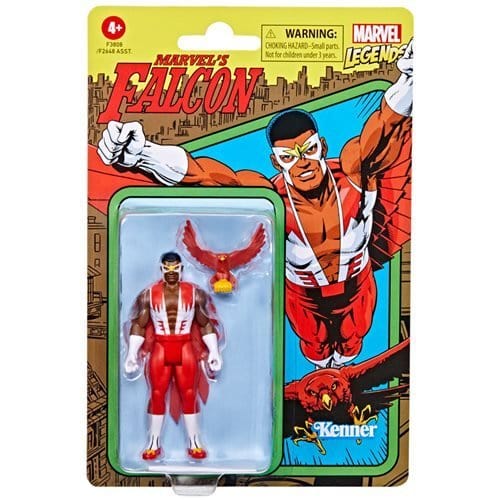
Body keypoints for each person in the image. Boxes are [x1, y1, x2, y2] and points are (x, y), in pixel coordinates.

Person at [101, 41, 413, 369]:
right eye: (289, 157)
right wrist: (143, 154)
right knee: (316, 350)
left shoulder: (354, 174)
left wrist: (409, 79)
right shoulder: (270, 198)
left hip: (357, 284)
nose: (302, 163)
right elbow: (201, 175)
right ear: (276, 162)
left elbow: (387, 126)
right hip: (303, 296)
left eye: (308, 150)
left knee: (353, 343)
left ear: (321, 146)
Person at [124, 251, 222, 460]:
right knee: (156, 394)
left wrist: (214, 351)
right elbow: (139, 325)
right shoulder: (148, 295)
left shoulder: (195, 294)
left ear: (181, 269)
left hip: (185, 346)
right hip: (160, 347)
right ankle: (153, 443)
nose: (171, 272)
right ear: (161, 268)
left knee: (189, 394)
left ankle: (194, 442)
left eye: (174, 268)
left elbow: (205, 324)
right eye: (167, 268)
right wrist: (132, 353)